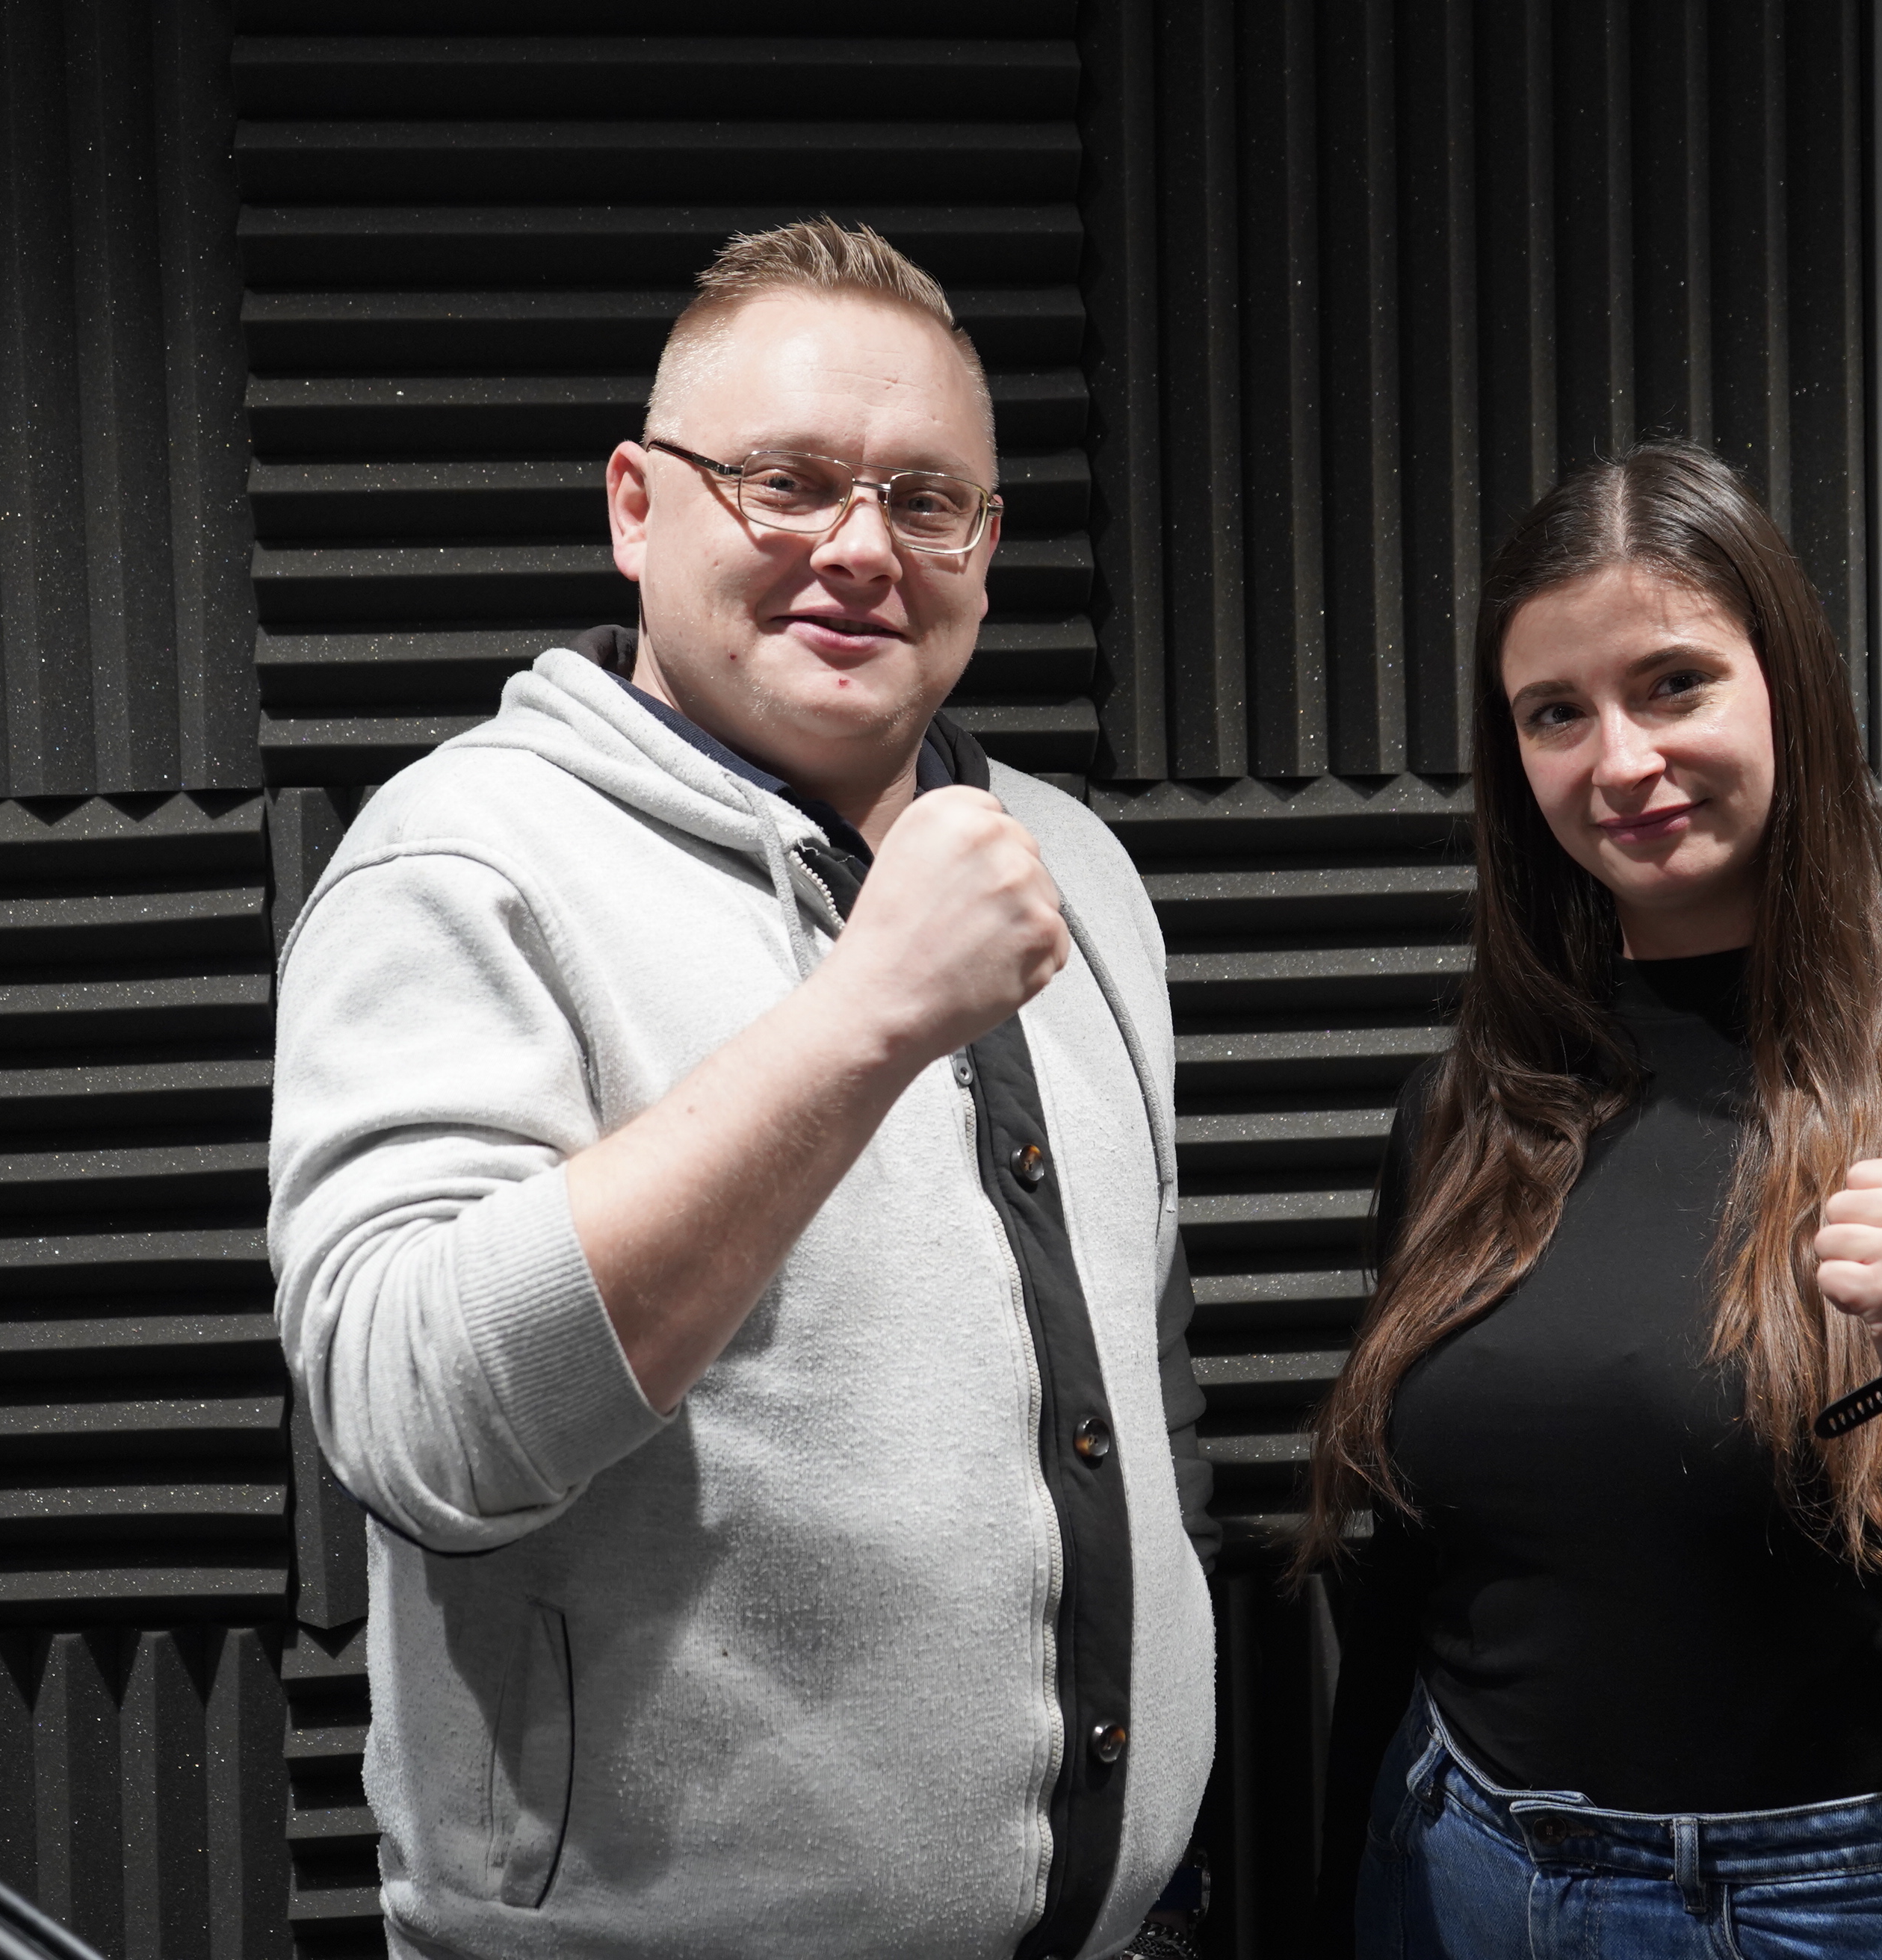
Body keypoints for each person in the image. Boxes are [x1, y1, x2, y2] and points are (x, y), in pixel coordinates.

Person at [270, 219, 1215, 1960]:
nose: (860, 548)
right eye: (786, 482)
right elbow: (417, 1424)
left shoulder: (1075, 867)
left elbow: (1134, 1386)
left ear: (987, 546)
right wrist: (862, 1016)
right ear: (638, 507)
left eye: (926, 501)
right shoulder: (464, 862)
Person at [1304, 444, 1882, 1958]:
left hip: (1844, 1907)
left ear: (1789, 690)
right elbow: (1404, 1586)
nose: (1620, 760)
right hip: (1459, 1873)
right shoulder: (1465, 1112)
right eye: (1556, 713)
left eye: (1675, 684)